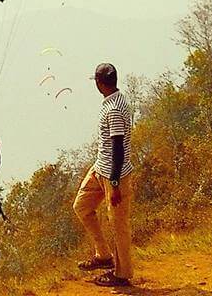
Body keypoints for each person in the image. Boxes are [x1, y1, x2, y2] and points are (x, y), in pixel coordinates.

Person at [73, 63, 134, 288]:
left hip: (114, 175)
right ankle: (104, 255)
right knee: (82, 207)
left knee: (118, 224)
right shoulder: (113, 101)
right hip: (100, 169)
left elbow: (118, 148)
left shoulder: (115, 110)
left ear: (99, 83)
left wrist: (116, 183)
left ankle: (122, 274)